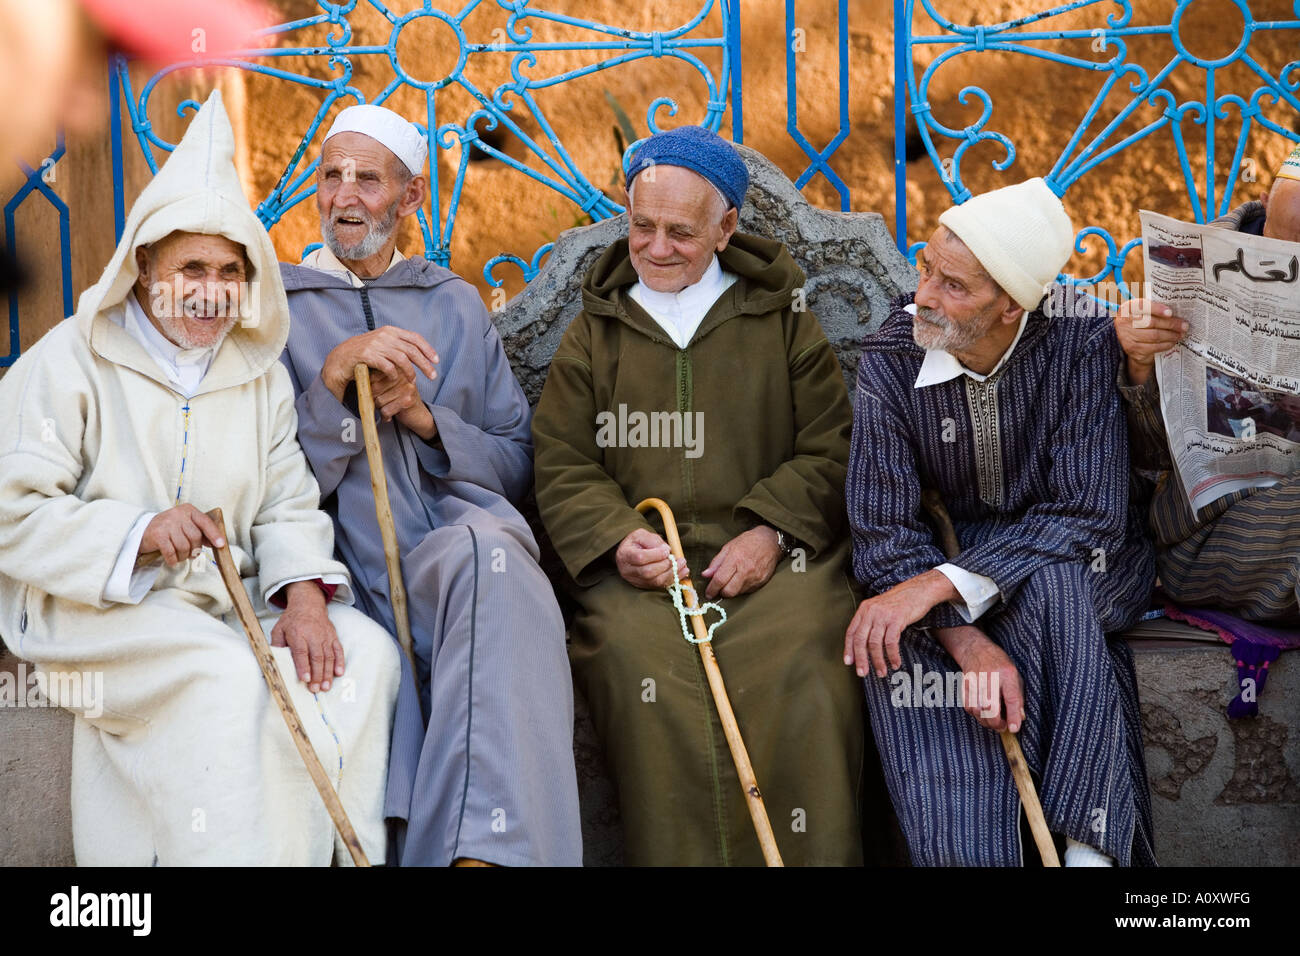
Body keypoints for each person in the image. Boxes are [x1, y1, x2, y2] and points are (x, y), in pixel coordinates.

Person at [0, 91, 398, 865]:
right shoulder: (71, 360)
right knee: (224, 678)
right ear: (145, 265)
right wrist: (137, 533)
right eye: (191, 267)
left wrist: (307, 594)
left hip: (232, 598)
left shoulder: (255, 374)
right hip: (93, 608)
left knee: (366, 658)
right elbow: (12, 510)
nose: (211, 289)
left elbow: (288, 501)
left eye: (228, 270)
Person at [532, 126, 865, 866]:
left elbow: (831, 446)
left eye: (680, 232)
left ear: (726, 228)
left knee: (809, 658)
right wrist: (619, 538)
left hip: (774, 567)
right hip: (643, 576)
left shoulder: (782, 321)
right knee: (633, 660)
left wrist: (771, 532)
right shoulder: (596, 332)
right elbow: (561, 460)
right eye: (641, 226)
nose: (655, 248)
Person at [279, 104, 582, 867]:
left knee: (490, 560)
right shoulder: (278, 311)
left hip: (452, 545)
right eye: (331, 175)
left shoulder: (454, 303)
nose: (344, 197)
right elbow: (266, 478)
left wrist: (423, 418)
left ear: (412, 198)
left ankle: (482, 853)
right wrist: (335, 382)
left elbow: (517, 463)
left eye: (368, 180)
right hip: (346, 555)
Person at [846, 178, 1156, 866]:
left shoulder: (1080, 341)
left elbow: (1087, 516)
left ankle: (1087, 848)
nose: (923, 294)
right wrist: (958, 628)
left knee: (1053, 591)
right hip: (942, 556)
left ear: (1012, 306)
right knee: (895, 640)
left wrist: (942, 588)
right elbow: (882, 533)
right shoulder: (893, 355)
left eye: (954, 286)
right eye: (925, 268)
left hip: (1087, 559)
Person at [1115, 143, 1300, 623]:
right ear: (1264, 198)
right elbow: (1147, 457)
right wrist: (1138, 361)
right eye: (1284, 241)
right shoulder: (1191, 275)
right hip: (1209, 528)